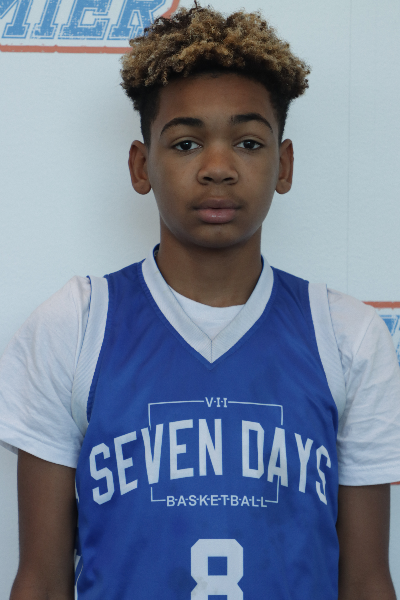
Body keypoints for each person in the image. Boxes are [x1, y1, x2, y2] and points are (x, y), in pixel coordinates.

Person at [1, 4, 400, 599]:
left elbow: (367, 582)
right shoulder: (75, 324)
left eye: (248, 142)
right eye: (186, 144)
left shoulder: (347, 336)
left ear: (284, 165)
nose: (218, 168)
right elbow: (40, 579)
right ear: (141, 166)